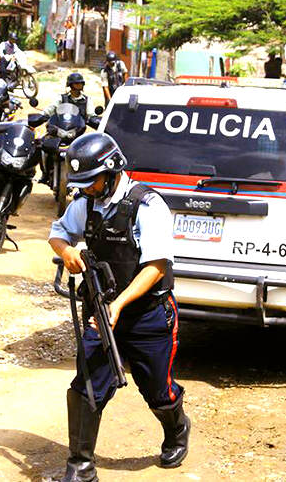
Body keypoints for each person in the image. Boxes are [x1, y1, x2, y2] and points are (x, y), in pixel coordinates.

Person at [48, 132, 190, 481]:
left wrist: (121, 304)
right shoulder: (86, 202)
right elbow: (58, 232)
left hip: (147, 314)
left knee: (158, 391)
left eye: (91, 181)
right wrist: (66, 252)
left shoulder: (147, 206)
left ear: (111, 172)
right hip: (101, 310)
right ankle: (80, 466)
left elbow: (156, 268)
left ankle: (177, 429)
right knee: (88, 385)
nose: (86, 189)